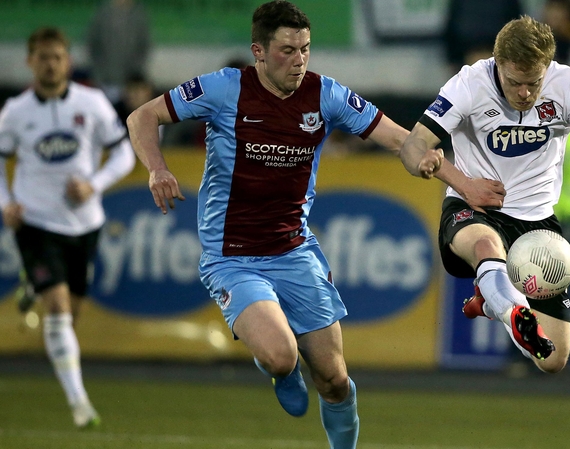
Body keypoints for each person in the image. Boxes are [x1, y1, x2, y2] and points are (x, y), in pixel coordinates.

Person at [125, 2, 457, 448]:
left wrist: (452, 176)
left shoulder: (326, 95)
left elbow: (401, 139)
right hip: (232, 257)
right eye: (287, 50)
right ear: (258, 52)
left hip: (294, 251)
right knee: (282, 356)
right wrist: (157, 169)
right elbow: (142, 116)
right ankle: (280, 371)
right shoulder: (224, 89)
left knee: (334, 380)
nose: (299, 60)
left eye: (305, 49)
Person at [400, 15, 570, 373]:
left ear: (548, 67)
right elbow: (413, 145)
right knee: (486, 246)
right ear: (498, 64)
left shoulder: (567, 84)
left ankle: (492, 301)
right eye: (515, 83)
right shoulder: (468, 84)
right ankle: (508, 306)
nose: (525, 93)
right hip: (474, 207)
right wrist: (453, 177)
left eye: (534, 83)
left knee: (553, 360)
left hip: (538, 225)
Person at [0, 27, 136, 428]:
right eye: (43, 57)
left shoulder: (91, 103)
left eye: (57, 57)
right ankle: (80, 405)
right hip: (36, 223)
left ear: (68, 61)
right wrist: (6, 204)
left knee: (70, 317)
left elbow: (124, 153)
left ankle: (32, 283)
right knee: (58, 312)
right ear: (30, 62)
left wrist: (94, 184)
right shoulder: (15, 111)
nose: (51, 64)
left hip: (84, 225)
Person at [86, 0, 151, 104]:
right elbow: (93, 43)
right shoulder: (103, 13)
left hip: (129, 82)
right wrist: (99, 72)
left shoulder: (138, 15)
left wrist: (135, 74)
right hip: (104, 80)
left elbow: (144, 45)